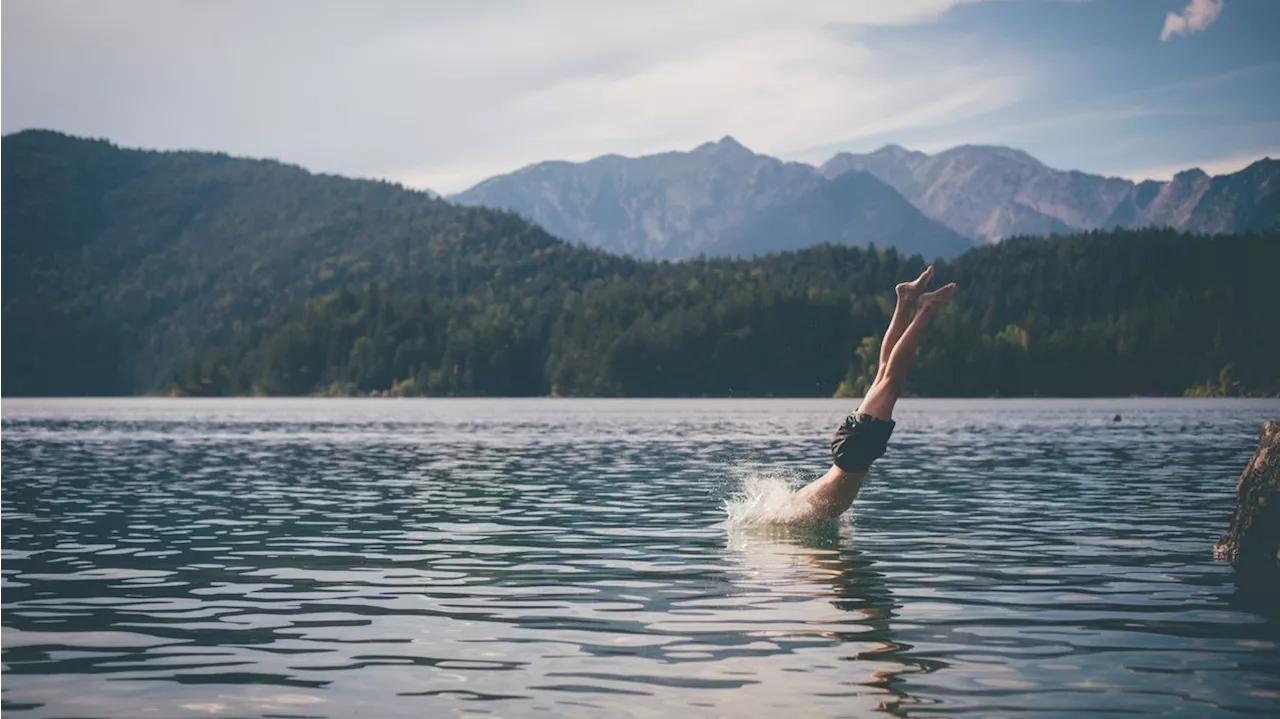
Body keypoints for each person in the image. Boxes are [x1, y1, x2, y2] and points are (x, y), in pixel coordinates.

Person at [793, 265, 956, 520]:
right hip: (849, 449)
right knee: (884, 372)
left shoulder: (790, 518)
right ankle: (905, 300)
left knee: (892, 379)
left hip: (853, 453)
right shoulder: (791, 506)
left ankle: (926, 309)